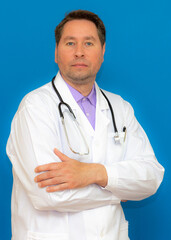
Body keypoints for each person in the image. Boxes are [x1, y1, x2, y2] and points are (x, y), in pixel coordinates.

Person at [6, 10, 164, 240]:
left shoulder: (120, 107)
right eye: (70, 43)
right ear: (56, 52)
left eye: (89, 43)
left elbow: (151, 177)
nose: (79, 52)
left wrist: (96, 173)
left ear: (102, 52)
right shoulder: (34, 107)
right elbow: (48, 195)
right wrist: (117, 191)